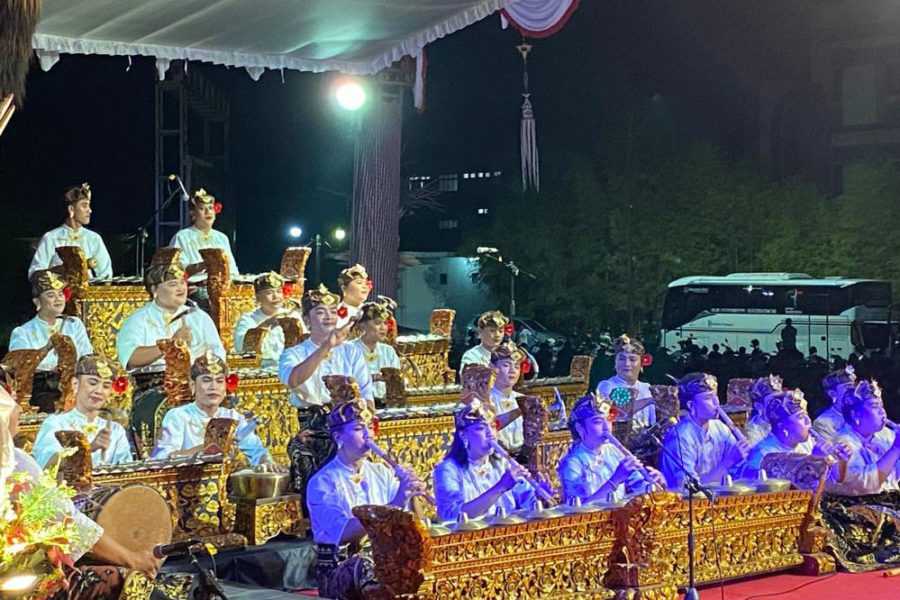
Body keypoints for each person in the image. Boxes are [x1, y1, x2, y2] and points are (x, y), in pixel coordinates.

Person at [1, 382, 161, 597]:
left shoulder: (16, 458)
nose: (19, 410)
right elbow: (68, 522)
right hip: (14, 574)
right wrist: (131, 559)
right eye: (11, 404)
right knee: (125, 581)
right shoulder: (16, 462)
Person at [306, 384, 425, 600]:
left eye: (370, 426)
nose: (369, 434)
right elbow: (342, 533)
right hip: (341, 568)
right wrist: (397, 500)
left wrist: (411, 496)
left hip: (385, 559)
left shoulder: (382, 472)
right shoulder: (322, 482)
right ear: (339, 437)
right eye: (360, 429)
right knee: (365, 566)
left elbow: (411, 523)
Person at [280, 285, 372, 497]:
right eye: (320, 312)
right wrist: (325, 348)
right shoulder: (294, 353)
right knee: (304, 455)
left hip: (350, 423)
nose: (328, 317)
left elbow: (367, 396)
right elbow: (293, 380)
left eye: (333, 311)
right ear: (306, 319)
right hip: (313, 428)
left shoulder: (351, 351)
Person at [152, 351, 281, 468]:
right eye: (206, 380)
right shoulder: (178, 416)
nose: (213, 387)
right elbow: (162, 459)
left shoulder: (232, 417)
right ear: (193, 386)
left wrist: (266, 462)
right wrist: (207, 449)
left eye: (219, 381)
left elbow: (257, 452)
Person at [116, 248, 225, 370]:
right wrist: (171, 344)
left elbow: (219, 357)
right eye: (173, 284)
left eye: (182, 283)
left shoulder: (199, 317)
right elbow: (130, 358)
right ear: (154, 290)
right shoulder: (139, 319)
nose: (181, 288)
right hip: (153, 385)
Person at [433, 399, 537, 522]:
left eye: (493, 426)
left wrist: (543, 498)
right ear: (463, 435)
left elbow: (529, 503)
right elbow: (451, 516)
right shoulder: (448, 470)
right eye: (481, 428)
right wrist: (501, 487)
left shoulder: (502, 463)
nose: (490, 434)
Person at [9, 270, 93, 412]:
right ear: (37, 302)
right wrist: (48, 350)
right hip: (43, 389)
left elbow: (86, 355)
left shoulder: (74, 324)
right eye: (51, 295)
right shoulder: (23, 332)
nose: (58, 299)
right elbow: (21, 368)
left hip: (75, 384)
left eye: (60, 294)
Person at [558, 392, 664, 505]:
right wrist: (616, 479)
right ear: (580, 428)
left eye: (609, 419)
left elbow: (638, 486)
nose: (606, 427)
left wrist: (654, 484)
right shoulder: (572, 463)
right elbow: (579, 509)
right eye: (598, 422)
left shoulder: (614, 451)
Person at [32, 354, 133, 468]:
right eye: (93, 383)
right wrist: (89, 448)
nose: (99, 391)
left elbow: (126, 472)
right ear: (75, 384)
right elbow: (46, 467)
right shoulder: (55, 424)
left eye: (106, 386)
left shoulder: (115, 430)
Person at [659, 373, 750, 490]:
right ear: (691, 405)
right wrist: (729, 461)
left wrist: (746, 457)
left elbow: (738, 468)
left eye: (715, 396)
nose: (716, 403)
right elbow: (691, 489)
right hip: (685, 503)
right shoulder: (681, 437)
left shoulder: (720, 428)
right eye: (708, 398)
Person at [737, 390, 849, 479]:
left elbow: (837, 478)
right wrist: (814, 460)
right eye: (800, 417)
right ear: (782, 426)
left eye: (806, 415)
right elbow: (791, 492)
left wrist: (842, 460)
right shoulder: (763, 454)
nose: (808, 420)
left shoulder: (807, 442)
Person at [828, 380, 900, 495]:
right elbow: (866, 485)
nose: (882, 411)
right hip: (860, 507)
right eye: (874, 406)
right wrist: (896, 449)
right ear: (855, 414)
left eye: (882, 406)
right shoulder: (843, 442)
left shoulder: (886, 435)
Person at [28, 183, 112, 280]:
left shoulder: (94, 238)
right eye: (84, 206)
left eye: (89, 206)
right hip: (59, 293)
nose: (90, 210)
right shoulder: (51, 237)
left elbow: (106, 274)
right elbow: (35, 272)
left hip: (88, 292)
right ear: (71, 209)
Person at [232, 271, 305, 368]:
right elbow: (242, 348)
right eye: (269, 293)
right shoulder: (248, 319)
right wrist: (267, 324)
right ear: (258, 298)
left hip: (290, 366)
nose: (276, 297)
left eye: (279, 292)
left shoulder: (293, 315)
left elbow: (304, 343)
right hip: (261, 368)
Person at [170, 188, 239, 281]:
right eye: (202, 209)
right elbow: (176, 270)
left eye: (210, 208)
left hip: (222, 286)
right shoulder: (182, 237)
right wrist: (202, 266)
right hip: (194, 288)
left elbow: (232, 269)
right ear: (193, 213)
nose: (208, 212)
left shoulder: (221, 238)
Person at [595, 335, 655, 429]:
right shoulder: (606, 386)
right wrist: (649, 401)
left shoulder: (646, 387)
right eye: (622, 359)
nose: (626, 364)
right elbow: (618, 414)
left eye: (632, 359)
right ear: (615, 362)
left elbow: (653, 423)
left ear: (642, 363)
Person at [349, 297, 401, 401]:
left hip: (386, 403)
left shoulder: (388, 351)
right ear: (362, 325)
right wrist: (374, 377)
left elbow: (396, 381)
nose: (383, 328)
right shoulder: (349, 349)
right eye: (377, 323)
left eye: (385, 323)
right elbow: (346, 381)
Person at [487, 341, 529, 454]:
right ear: (493, 368)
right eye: (506, 365)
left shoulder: (523, 399)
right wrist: (517, 412)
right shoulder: (485, 400)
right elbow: (487, 429)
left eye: (516, 366)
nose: (512, 371)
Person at [813, 366, 859, 440]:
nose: (853, 391)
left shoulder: (862, 413)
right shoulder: (823, 423)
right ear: (832, 394)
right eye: (847, 387)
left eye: (854, 386)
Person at [460, 310, 508, 375]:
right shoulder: (472, 356)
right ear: (480, 332)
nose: (497, 335)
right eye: (492, 331)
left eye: (501, 331)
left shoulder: (507, 354)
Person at [743, 374, 784, 446]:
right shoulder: (752, 433)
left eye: (780, 399)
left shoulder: (786, 421)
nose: (778, 404)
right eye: (772, 401)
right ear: (758, 406)